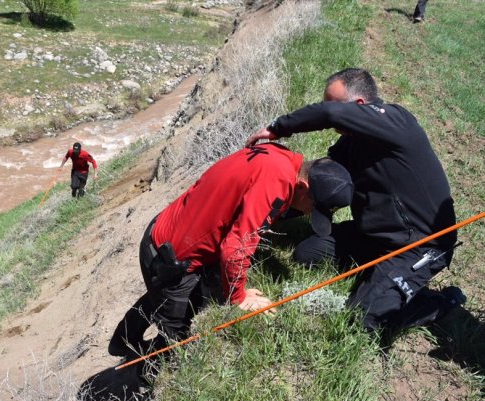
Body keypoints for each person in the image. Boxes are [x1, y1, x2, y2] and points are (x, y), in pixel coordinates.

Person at [245, 67, 464, 335]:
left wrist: (276, 129)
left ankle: (437, 303)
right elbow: (320, 189)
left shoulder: (398, 123)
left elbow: (328, 114)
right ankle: (380, 277)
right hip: (373, 236)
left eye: (332, 103)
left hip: (419, 245)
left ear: (359, 106)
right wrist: (264, 217)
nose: (327, 110)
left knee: (363, 322)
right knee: (307, 254)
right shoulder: (351, 144)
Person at [108, 142, 353, 358]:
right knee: (177, 337)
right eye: (314, 206)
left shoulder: (282, 158)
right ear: (302, 186)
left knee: (160, 296)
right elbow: (235, 249)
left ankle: (123, 341)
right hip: (173, 258)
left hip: (167, 231)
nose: (309, 213)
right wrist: (238, 297)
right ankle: (141, 369)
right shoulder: (276, 184)